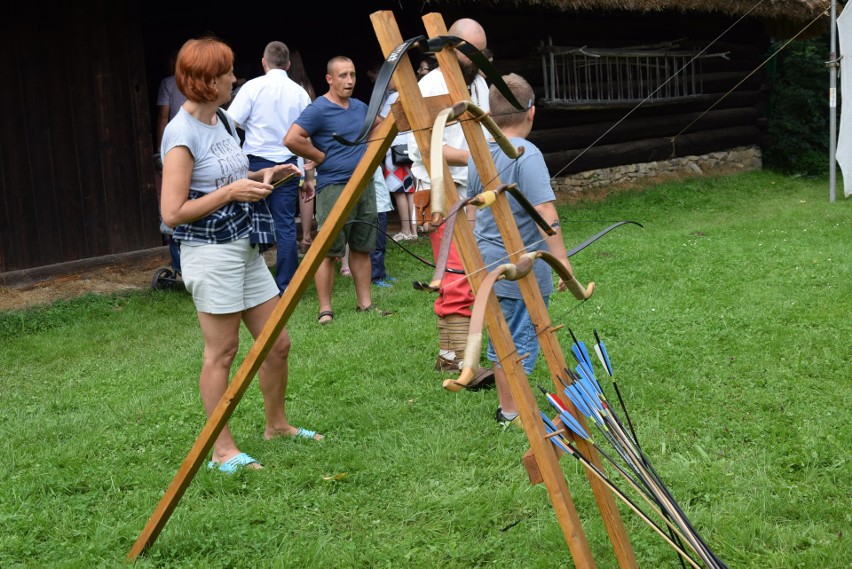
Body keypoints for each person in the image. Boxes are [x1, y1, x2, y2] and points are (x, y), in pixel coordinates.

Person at [159, 36, 323, 475]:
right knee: (223, 352)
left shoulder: (225, 121)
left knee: (276, 343)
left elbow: (230, 174)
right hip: (209, 254)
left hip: (243, 245)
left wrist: (266, 174)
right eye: (228, 71)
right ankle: (222, 450)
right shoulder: (181, 134)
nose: (236, 77)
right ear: (208, 80)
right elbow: (172, 212)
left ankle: (277, 426)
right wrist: (232, 191)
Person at [466, 73, 573, 427]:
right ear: (531, 112)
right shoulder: (528, 154)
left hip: (488, 265)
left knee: (503, 333)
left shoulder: (479, 153)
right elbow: (546, 213)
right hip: (522, 268)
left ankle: (508, 407)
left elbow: (470, 211)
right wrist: (563, 264)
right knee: (521, 341)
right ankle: (515, 412)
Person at [407, 18, 493, 381]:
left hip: (473, 191)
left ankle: (459, 355)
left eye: (481, 51)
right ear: (451, 48)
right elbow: (425, 147)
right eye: (470, 51)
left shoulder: (479, 83)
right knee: (456, 274)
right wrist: (477, 155)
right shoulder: (428, 85)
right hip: (443, 193)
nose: (477, 58)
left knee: (474, 272)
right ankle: (454, 360)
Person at [284, 56, 391, 324]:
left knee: (362, 247)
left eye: (352, 75)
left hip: (363, 185)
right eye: (343, 75)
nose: (350, 81)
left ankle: (365, 304)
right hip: (333, 187)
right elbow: (292, 138)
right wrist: (317, 156)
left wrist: (369, 149)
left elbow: (380, 124)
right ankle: (325, 309)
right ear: (329, 79)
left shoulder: (358, 107)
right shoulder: (319, 109)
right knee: (328, 250)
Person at [226, 41, 314, 294]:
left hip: (256, 162)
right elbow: (305, 136)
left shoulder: (251, 87)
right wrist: (309, 176)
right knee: (285, 224)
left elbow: (231, 122)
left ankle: (250, 282)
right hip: (289, 164)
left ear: (264, 62)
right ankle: (286, 285)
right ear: (288, 64)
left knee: (248, 221)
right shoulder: (300, 92)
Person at [154, 51, 188, 274]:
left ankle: (178, 265)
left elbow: (163, 117)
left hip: (175, 146)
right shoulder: (191, 82)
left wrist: (160, 148)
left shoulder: (168, 83)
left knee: (174, 203)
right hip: (190, 144)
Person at [288, 50, 319, 254]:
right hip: (305, 145)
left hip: (290, 144)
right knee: (306, 192)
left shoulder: (289, 89)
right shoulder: (307, 88)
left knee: (296, 190)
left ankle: (298, 239)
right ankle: (306, 237)